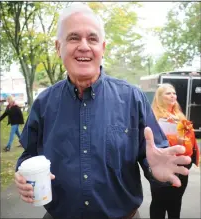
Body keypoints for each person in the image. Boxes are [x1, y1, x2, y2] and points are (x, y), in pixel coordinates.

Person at [15, 4, 191, 219]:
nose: (84, 46)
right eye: (73, 38)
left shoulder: (132, 98)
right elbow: (28, 155)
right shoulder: (43, 103)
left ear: (103, 48)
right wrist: (22, 174)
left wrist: (156, 171)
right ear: (57, 47)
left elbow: (154, 155)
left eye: (92, 39)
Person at [150, 83, 200, 219]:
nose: (173, 96)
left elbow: (187, 139)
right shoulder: (153, 117)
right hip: (162, 164)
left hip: (182, 165)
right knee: (159, 203)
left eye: (174, 93)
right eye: (168, 93)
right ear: (159, 97)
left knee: (176, 203)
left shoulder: (180, 115)